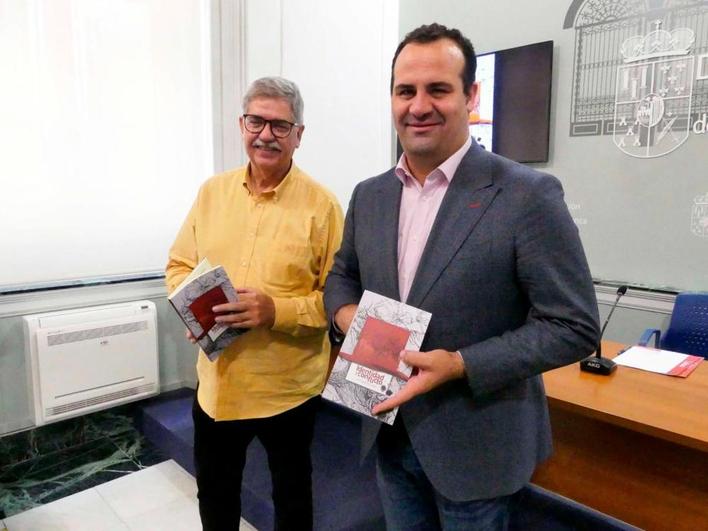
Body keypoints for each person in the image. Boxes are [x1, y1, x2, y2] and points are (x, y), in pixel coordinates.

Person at [324, 23, 600, 530]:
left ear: (470, 96)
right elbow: (342, 275)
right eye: (405, 90)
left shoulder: (527, 195)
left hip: (477, 444)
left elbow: (573, 326)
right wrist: (352, 317)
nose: (419, 105)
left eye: (439, 89)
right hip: (386, 430)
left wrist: (458, 364)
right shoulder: (370, 195)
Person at [166, 76, 343, 531]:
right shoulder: (212, 193)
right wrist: (191, 306)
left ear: (299, 135)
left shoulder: (323, 207)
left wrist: (275, 311)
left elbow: (341, 300)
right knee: (217, 496)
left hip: (286, 389)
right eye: (256, 121)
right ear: (241, 125)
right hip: (219, 386)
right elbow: (179, 263)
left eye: (280, 126)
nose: (266, 134)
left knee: (292, 497)